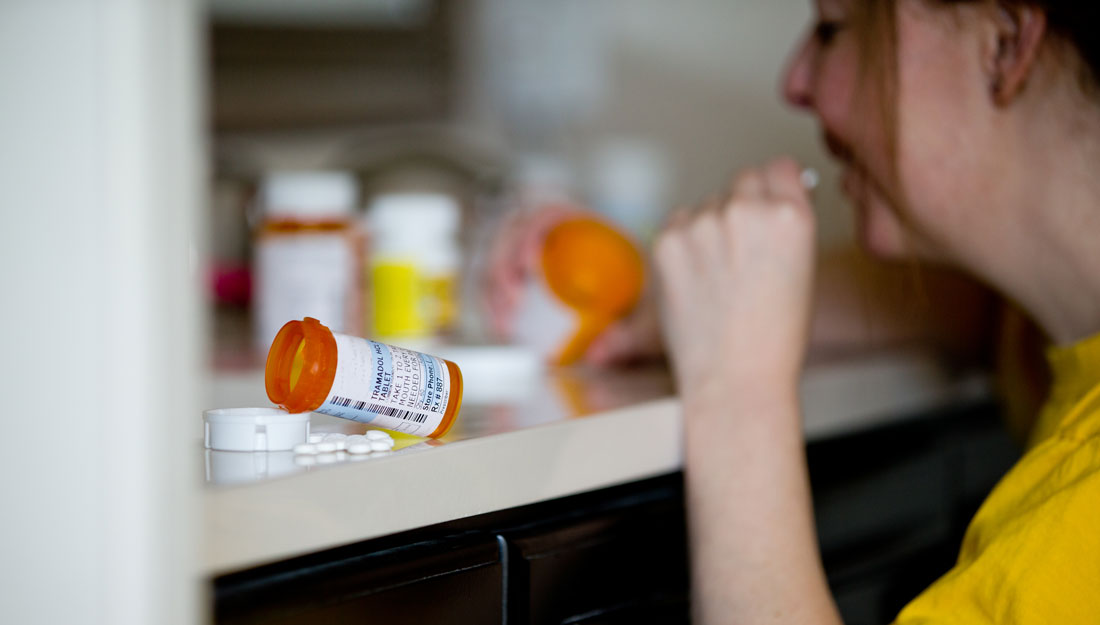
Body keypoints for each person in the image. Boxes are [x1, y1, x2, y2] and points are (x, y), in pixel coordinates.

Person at [652, 0, 1100, 623]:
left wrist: (736, 387)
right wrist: (691, 295)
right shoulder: (1049, 324)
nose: (795, 81)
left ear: (1003, 42)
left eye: (834, 30)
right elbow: (966, 309)